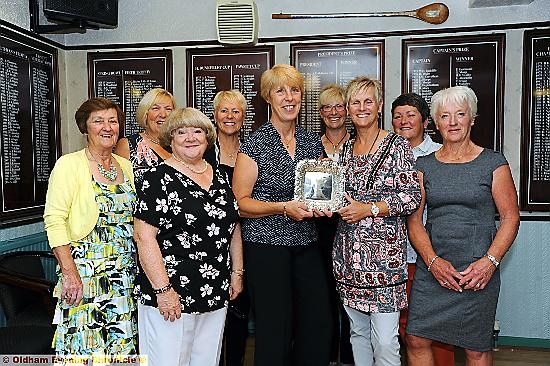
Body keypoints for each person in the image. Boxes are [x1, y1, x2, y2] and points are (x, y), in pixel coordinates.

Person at [405, 86, 520, 366]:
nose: (453, 122)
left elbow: (510, 218)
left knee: (476, 348)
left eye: (460, 114)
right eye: (445, 116)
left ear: (472, 118)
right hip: (433, 269)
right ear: (435, 121)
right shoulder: (423, 165)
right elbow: (414, 221)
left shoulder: (493, 163)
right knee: (416, 338)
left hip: (477, 271)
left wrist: (489, 263)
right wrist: (432, 262)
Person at [232, 64, 333, 366]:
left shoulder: (312, 141)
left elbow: (321, 190)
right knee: (275, 328)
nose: (289, 97)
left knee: (319, 322)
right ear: (268, 98)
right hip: (265, 247)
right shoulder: (254, 144)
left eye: (295, 90)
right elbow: (240, 203)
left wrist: (327, 203)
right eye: (280, 91)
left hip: (306, 243)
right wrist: (282, 207)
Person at [133, 107, 243, 366]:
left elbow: (233, 225)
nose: (190, 137)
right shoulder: (156, 178)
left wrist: (237, 272)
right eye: (181, 132)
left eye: (197, 131)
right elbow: (143, 237)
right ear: (170, 139)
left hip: (215, 290)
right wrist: (163, 290)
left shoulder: (219, 177)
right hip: (171, 293)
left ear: (208, 137)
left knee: (207, 360)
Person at [333, 76, 421, 366]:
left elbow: (410, 198)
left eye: (368, 101)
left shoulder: (398, 146)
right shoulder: (344, 151)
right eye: (355, 102)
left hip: (383, 263)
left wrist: (369, 209)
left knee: (384, 340)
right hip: (348, 262)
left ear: (379, 105)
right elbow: (336, 198)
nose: (361, 107)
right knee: (358, 334)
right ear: (347, 107)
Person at [43, 98, 137, 355]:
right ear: (85, 127)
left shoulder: (127, 167)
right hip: (85, 275)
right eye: (98, 121)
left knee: (120, 348)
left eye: (113, 121)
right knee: (84, 348)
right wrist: (70, 274)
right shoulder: (69, 164)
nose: (107, 127)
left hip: (124, 277)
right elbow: (54, 221)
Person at [391, 92, 455, 366]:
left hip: (432, 255)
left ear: (426, 122)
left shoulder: (440, 155)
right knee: (406, 329)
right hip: (394, 256)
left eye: (411, 115)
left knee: (437, 326)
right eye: (397, 116)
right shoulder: (387, 153)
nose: (403, 121)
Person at [210, 90, 250, 366]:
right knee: (212, 313)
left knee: (240, 309)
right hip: (211, 242)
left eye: (236, 111)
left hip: (247, 237)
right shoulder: (201, 151)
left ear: (244, 118)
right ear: (214, 115)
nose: (229, 117)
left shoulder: (252, 152)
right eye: (224, 110)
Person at [317, 84, 355, 366]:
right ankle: (328, 356)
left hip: (352, 226)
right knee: (325, 294)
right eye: (327, 107)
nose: (333, 112)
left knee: (351, 299)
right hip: (318, 229)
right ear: (320, 112)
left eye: (339, 106)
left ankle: (351, 358)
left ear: (347, 111)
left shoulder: (358, 144)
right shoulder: (311, 145)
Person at [114, 88, 176, 185]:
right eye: (156, 108)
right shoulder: (128, 145)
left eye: (168, 109)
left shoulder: (180, 145)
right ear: (145, 114)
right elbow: (119, 187)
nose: (163, 114)